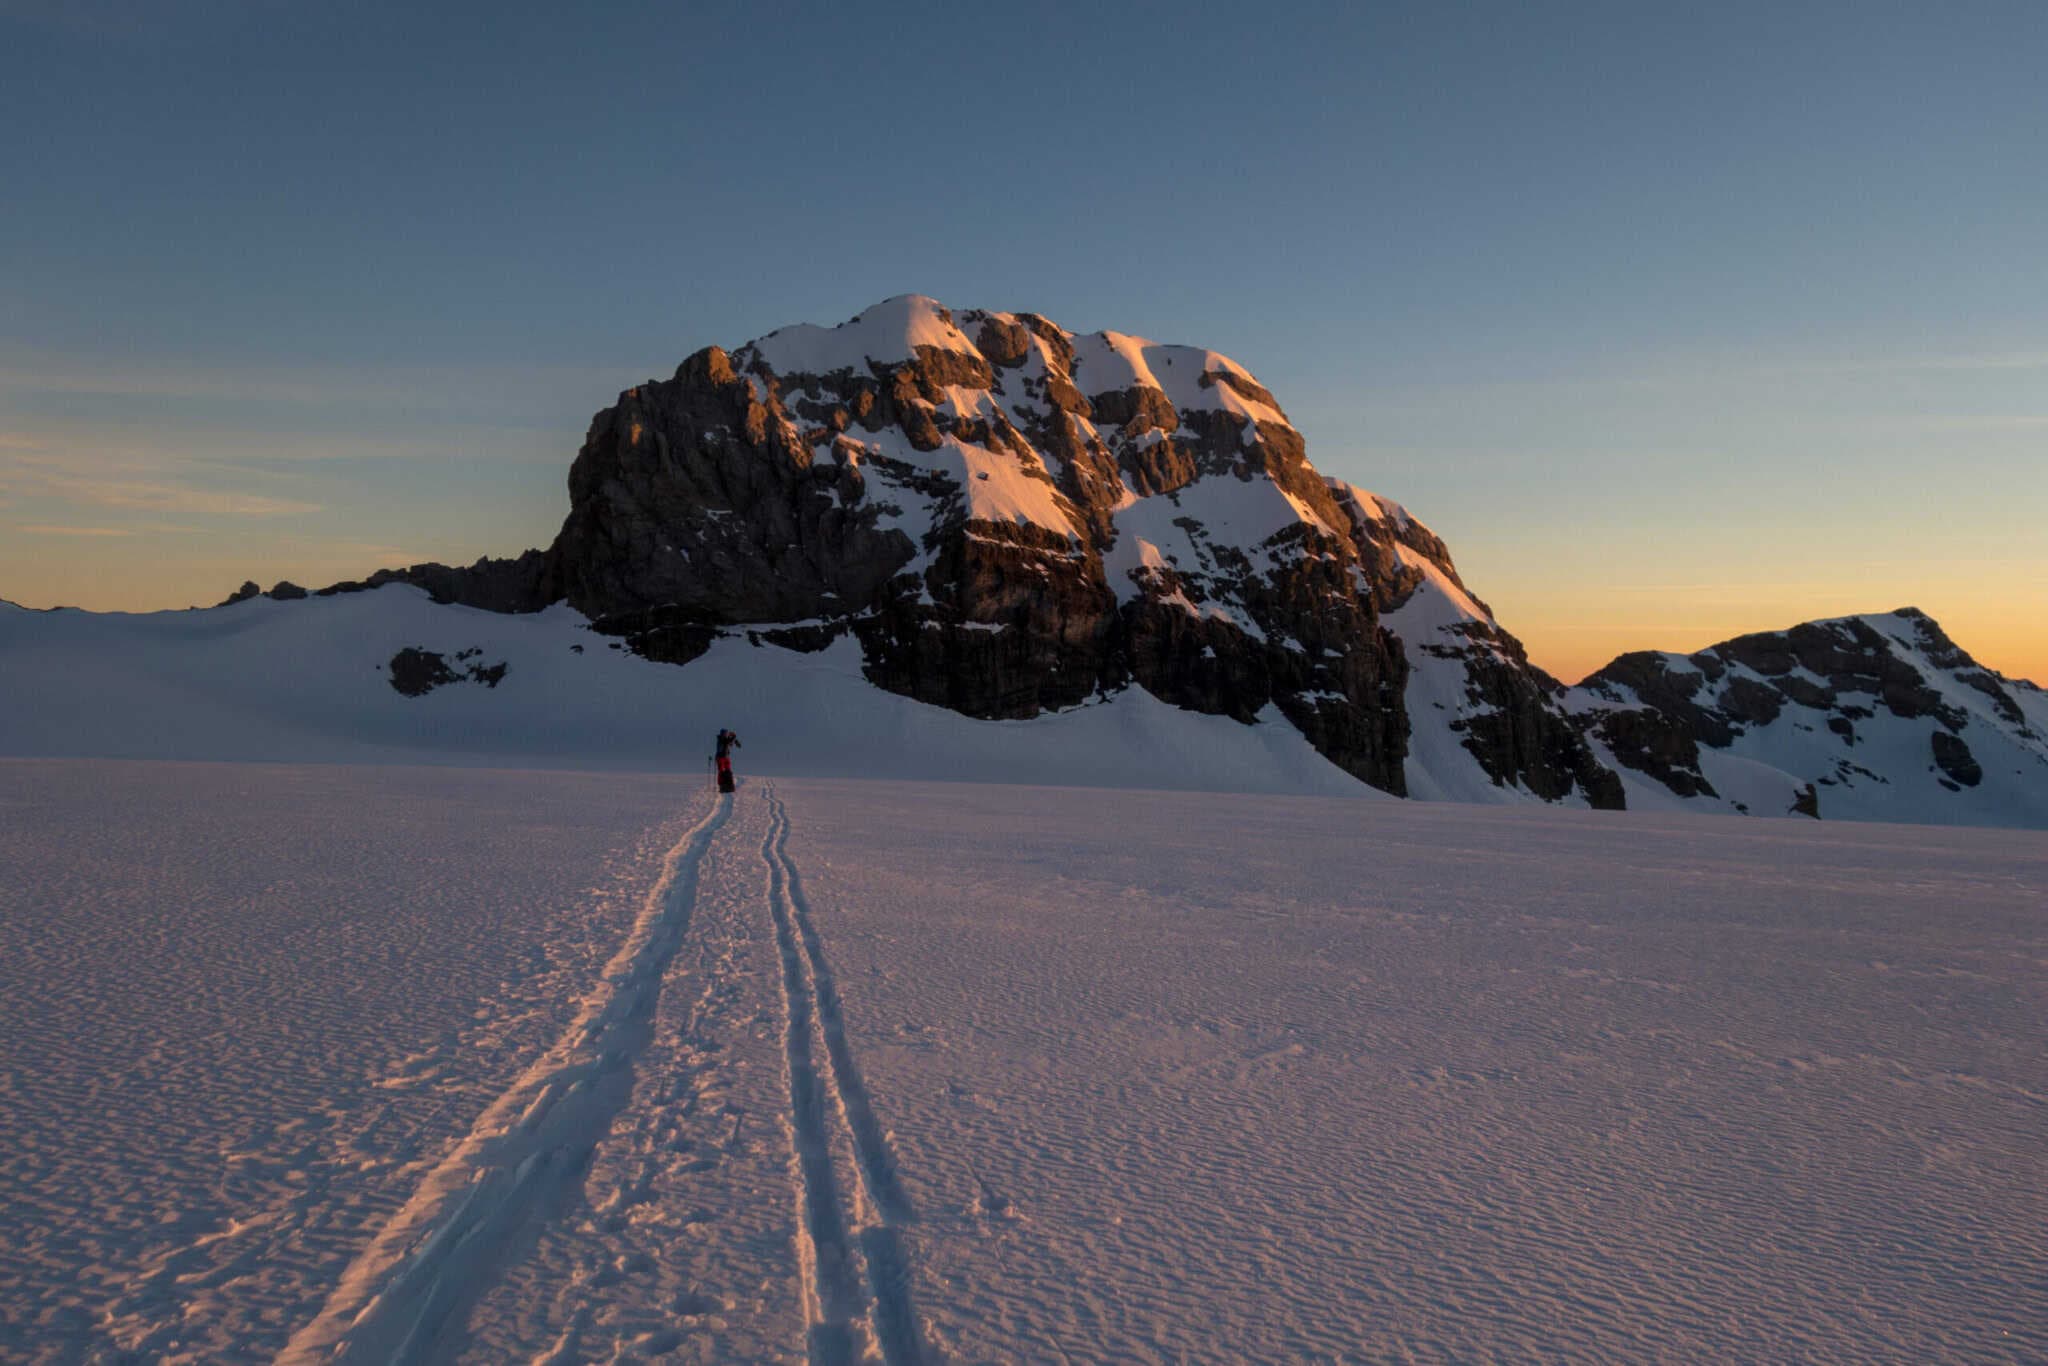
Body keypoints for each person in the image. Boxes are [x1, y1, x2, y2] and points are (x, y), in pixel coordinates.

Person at [713, 728, 740, 793]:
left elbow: (729, 743)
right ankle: (722, 786)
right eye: (725, 734)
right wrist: (733, 737)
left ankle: (728, 785)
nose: (726, 735)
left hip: (725, 757)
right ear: (722, 734)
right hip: (720, 757)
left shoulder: (725, 739)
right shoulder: (721, 739)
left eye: (726, 734)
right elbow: (727, 741)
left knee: (728, 771)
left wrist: (735, 740)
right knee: (721, 771)